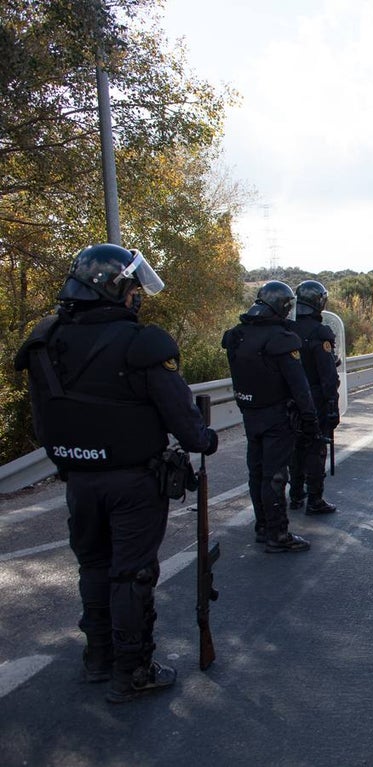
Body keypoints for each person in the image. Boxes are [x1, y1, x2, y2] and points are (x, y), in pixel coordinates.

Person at [15, 244, 218, 703]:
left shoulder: (45, 338)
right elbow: (182, 419)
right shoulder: (141, 343)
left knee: (93, 565)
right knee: (132, 575)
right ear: (112, 288)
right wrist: (205, 441)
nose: (136, 296)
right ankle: (133, 670)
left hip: (78, 479)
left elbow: (42, 417)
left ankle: (98, 658)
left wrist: (72, 456)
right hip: (133, 482)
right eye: (131, 286)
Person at [222, 281, 316, 553]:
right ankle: (278, 533)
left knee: (257, 472)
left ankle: (263, 526)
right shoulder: (281, 339)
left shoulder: (238, 335)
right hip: (277, 416)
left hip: (250, 414)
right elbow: (300, 386)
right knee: (274, 475)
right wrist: (310, 420)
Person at [287, 280, 341, 515]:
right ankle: (315, 499)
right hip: (315, 399)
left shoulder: (287, 329)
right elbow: (328, 376)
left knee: (295, 447)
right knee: (316, 446)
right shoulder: (320, 333)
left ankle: (296, 494)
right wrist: (332, 404)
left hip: (290, 400)